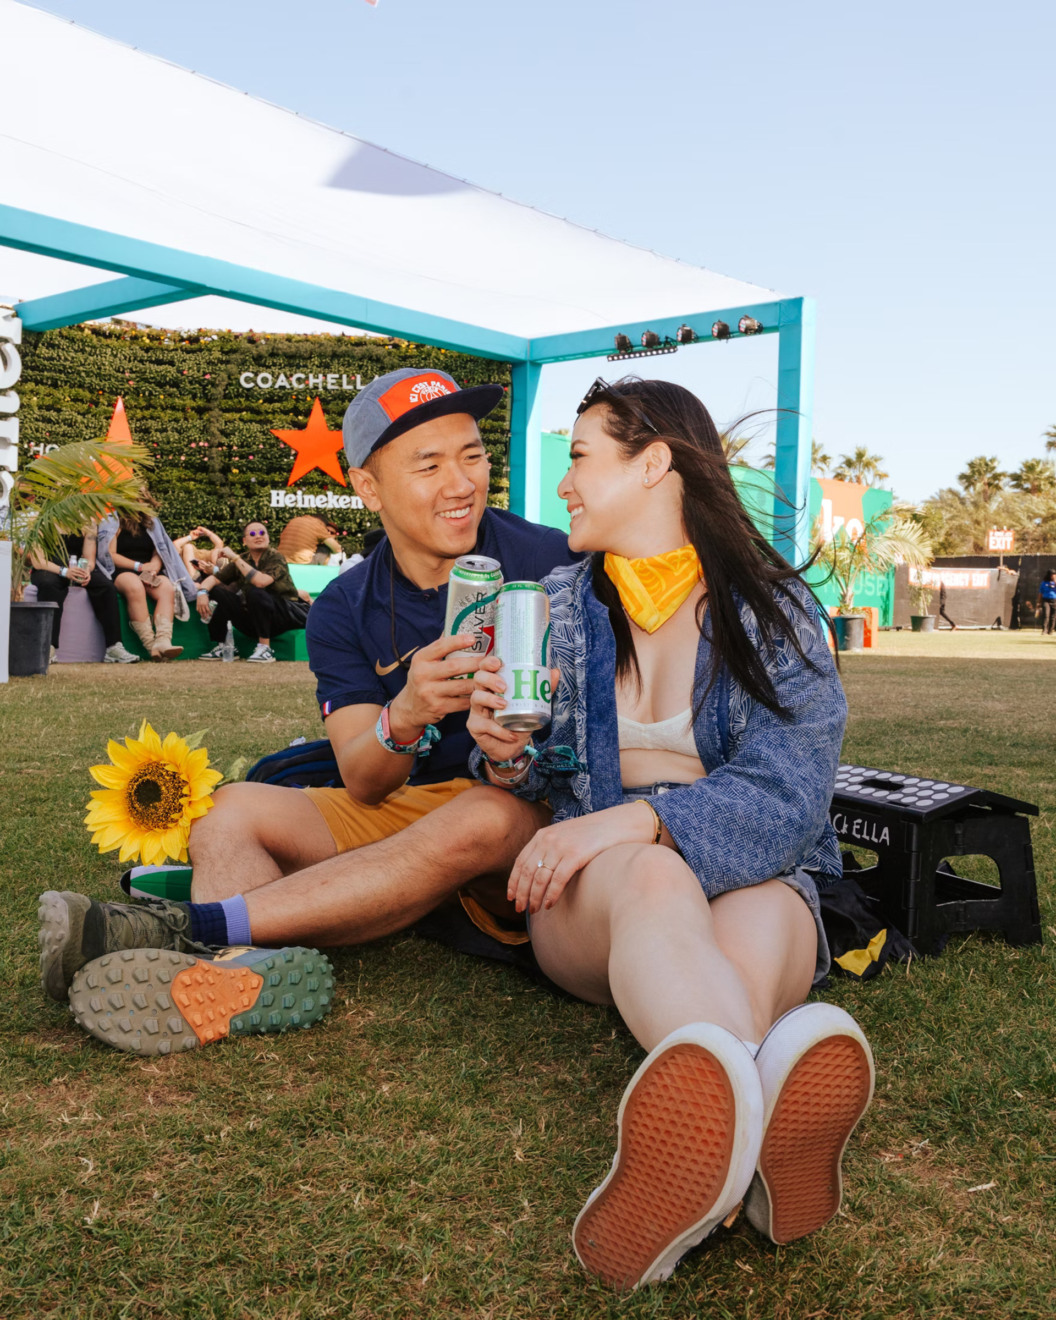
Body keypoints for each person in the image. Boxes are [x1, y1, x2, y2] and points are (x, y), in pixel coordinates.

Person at [465, 377, 874, 1290]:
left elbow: (791, 795)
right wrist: (502, 755)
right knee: (652, 878)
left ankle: (722, 1155)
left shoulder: (771, 607)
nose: (563, 484)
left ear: (653, 463)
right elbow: (537, 774)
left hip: (756, 878)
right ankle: (762, 1113)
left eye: (578, 457)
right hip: (605, 899)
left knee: (765, 910)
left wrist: (636, 814)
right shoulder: (558, 608)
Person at [38, 367, 577, 1052]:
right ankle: (241, 979)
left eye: (472, 455)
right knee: (228, 806)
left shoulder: (557, 562)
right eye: (429, 463)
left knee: (488, 812)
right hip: (413, 814)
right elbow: (364, 776)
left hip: (521, 823)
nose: (461, 483)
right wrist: (405, 713)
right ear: (368, 486)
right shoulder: (348, 604)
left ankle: (192, 929)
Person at [100, 494, 197, 661]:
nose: (139, 500)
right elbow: (111, 555)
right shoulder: (113, 521)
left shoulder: (151, 521)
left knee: (166, 587)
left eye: (142, 496)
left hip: (149, 570)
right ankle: (150, 645)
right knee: (134, 586)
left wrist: (154, 566)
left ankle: (163, 641)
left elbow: (160, 550)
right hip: (123, 570)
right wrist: (140, 567)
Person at [196, 521, 309, 663]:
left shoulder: (275, 557)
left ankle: (265, 648)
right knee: (218, 592)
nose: (258, 536)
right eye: (253, 534)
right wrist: (202, 593)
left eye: (262, 533)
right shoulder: (244, 559)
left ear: (268, 537)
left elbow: (261, 582)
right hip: (255, 620)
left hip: (284, 616)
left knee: (256, 591)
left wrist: (235, 558)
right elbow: (213, 579)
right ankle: (224, 646)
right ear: (244, 541)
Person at [28, 521, 139, 663]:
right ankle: (47, 648)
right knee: (49, 585)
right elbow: (38, 561)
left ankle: (113, 647)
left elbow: (88, 557)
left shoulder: (88, 521)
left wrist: (86, 571)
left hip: (75, 567)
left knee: (106, 587)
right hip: (49, 569)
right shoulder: (43, 520)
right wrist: (64, 572)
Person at [277, 514, 343, 564]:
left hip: (282, 560)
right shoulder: (319, 525)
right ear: (323, 523)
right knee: (325, 548)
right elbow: (337, 549)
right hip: (302, 562)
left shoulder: (294, 520)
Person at [1038, 570, 1056, 634]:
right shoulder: (1044, 583)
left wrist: (1055, 581)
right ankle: (1044, 629)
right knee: (1046, 614)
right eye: (1052, 575)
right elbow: (1040, 593)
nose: (1053, 576)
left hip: (1054, 600)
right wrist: (1039, 602)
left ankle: (1050, 630)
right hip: (1046, 600)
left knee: (1053, 616)